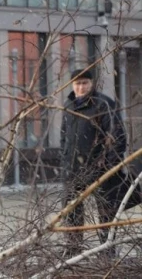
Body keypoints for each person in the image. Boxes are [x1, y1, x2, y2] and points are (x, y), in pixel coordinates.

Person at [60, 69, 127, 257]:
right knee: (71, 209)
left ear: (92, 84)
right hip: (74, 169)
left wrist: (106, 165)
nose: (81, 87)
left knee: (106, 211)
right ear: (72, 85)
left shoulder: (103, 104)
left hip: (100, 169)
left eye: (84, 83)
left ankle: (107, 250)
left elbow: (118, 138)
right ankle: (73, 248)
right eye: (77, 83)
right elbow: (64, 137)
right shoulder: (69, 105)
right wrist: (65, 161)